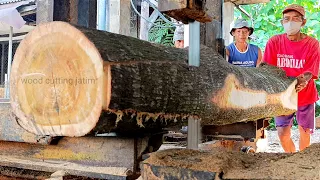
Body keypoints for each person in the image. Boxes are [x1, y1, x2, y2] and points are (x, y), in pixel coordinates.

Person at [263, 4, 320, 152]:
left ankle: (302, 160)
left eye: (295, 18)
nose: (290, 22)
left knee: (305, 132)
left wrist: (303, 81)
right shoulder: (274, 42)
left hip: (306, 95)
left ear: (303, 22)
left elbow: (311, 71)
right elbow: (267, 69)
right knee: (282, 134)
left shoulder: (313, 44)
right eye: (286, 19)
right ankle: (292, 157)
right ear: (282, 22)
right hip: (283, 96)